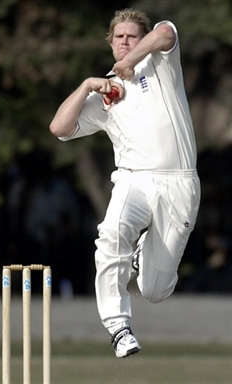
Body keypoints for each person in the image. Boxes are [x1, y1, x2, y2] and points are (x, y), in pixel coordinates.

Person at [50, 8, 201, 358]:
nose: (124, 42)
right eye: (119, 37)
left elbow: (164, 33)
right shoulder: (105, 91)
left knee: (155, 289)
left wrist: (132, 61)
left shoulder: (161, 63)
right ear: (109, 42)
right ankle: (118, 327)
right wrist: (88, 85)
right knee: (110, 234)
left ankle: (141, 256)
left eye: (131, 36)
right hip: (133, 179)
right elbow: (59, 128)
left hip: (179, 184)